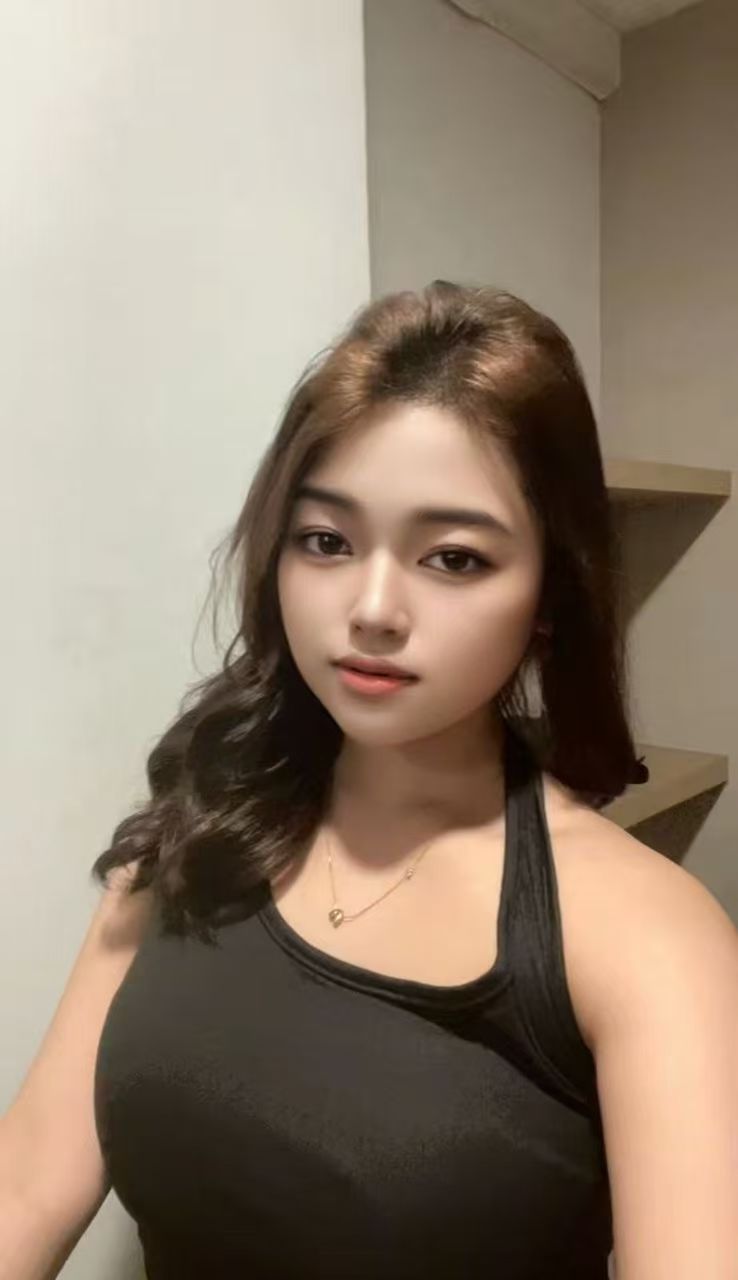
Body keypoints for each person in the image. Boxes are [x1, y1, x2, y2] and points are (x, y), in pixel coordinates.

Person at [1, 281, 736, 1280]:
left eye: (454, 558)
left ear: (550, 594)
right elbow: (27, 1182)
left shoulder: (650, 937)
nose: (373, 607)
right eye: (327, 542)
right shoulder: (194, 836)